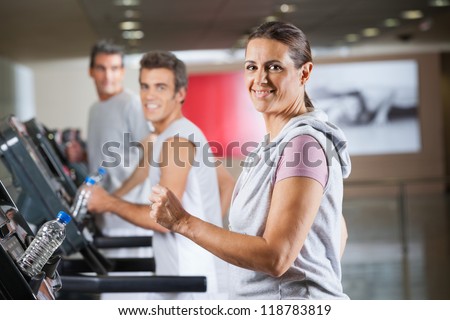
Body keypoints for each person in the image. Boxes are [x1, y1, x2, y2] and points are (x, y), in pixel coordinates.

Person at [148, 21, 352, 299]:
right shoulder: (272, 145)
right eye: (252, 67)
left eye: (275, 67)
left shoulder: (303, 145)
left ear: (304, 73)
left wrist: (183, 222)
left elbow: (275, 257)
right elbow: (337, 231)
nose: (260, 79)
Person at [87, 50, 234, 299]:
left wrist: (108, 202)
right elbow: (228, 184)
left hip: (192, 282)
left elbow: (163, 219)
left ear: (180, 94)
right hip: (189, 276)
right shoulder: (184, 132)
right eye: (145, 86)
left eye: (160, 87)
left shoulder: (175, 141)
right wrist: (203, 234)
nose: (149, 96)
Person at [85, 40, 154, 299]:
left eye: (114, 68)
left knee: (126, 298)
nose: (108, 76)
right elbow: (112, 155)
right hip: (105, 220)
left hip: (129, 221)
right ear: (91, 71)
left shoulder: (131, 103)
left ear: (123, 72)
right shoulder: (96, 109)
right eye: (101, 68)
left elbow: (149, 161)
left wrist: (114, 199)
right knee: (109, 295)